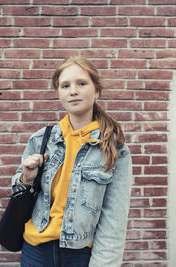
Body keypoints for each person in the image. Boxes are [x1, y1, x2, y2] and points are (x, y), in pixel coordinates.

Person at [11, 56, 133, 267]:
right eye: (65, 85)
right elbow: (18, 190)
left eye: (81, 83)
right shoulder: (41, 140)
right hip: (35, 252)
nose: (73, 90)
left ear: (96, 91)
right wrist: (27, 178)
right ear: (59, 93)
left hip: (82, 256)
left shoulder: (114, 148)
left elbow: (114, 219)